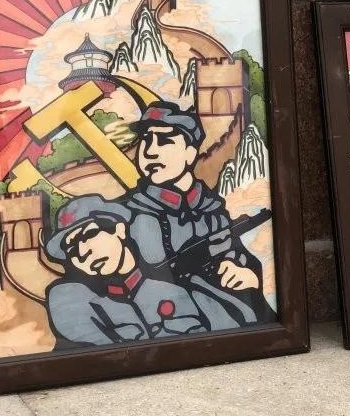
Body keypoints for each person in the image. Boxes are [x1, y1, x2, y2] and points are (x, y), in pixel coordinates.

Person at [122, 102, 273, 323]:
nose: (150, 151)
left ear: (190, 154)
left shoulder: (210, 204)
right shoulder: (135, 212)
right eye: (146, 139)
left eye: (164, 140)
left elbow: (236, 250)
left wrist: (243, 270)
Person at [44, 195, 244, 349]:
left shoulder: (182, 289)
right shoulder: (80, 305)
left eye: (89, 234)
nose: (82, 252)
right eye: (71, 248)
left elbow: (233, 337)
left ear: (119, 229)